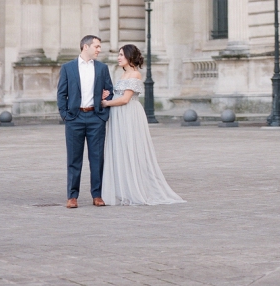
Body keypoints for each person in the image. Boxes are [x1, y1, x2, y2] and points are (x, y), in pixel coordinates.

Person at [101, 44, 185, 206]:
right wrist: (107, 95)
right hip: (119, 114)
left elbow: (125, 99)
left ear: (130, 57)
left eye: (121, 55)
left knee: (131, 149)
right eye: (118, 54)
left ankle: (135, 189)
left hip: (129, 113)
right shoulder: (124, 74)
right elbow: (118, 94)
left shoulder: (135, 74)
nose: (118, 57)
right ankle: (124, 189)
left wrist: (106, 103)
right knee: (121, 149)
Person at [56, 35, 114, 209]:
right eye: (96, 46)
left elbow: (109, 90)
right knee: (74, 159)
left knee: (97, 158)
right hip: (75, 118)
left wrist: (104, 109)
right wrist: (65, 115)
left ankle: (97, 195)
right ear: (85, 47)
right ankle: (72, 196)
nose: (99, 49)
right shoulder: (68, 68)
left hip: (96, 118)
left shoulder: (102, 68)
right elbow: (61, 94)